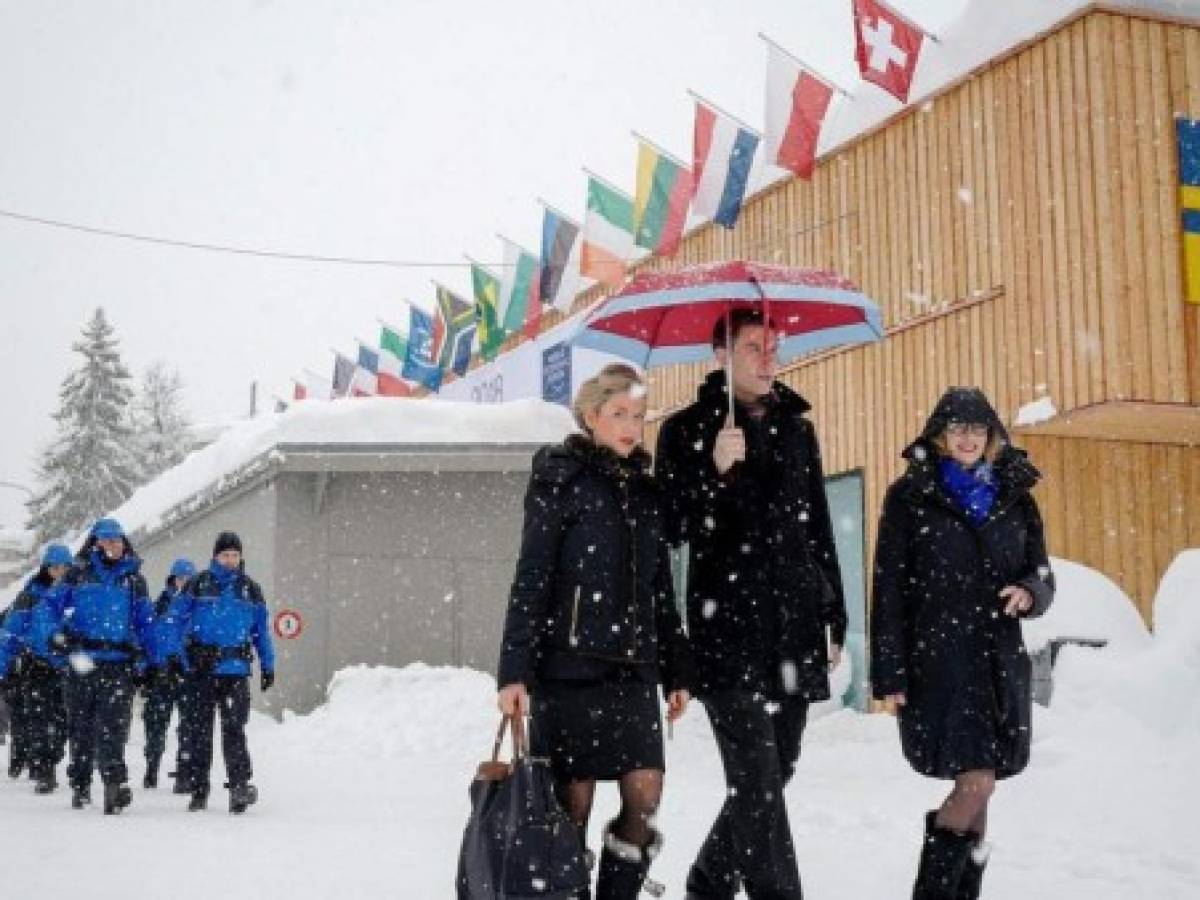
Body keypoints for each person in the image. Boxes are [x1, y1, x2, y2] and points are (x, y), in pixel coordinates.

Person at [655, 309, 847, 900]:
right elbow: (671, 524)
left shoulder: (798, 430)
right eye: (754, 348)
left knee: (777, 768)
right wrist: (713, 472)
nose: (769, 359)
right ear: (721, 355)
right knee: (757, 780)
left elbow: (816, 528)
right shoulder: (685, 430)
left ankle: (709, 881)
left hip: (791, 628)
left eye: (773, 347)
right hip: (726, 631)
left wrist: (833, 613)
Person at [497, 363, 694, 900]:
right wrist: (514, 671)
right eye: (619, 414)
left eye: (638, 415)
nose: (631, 426)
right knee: (572, 805)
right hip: (569, 669)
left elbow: (660, 591)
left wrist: (676, 669)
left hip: (632, 671)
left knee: (645, 792)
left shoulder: (647, 493)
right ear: (591, 417)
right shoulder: (559, 479)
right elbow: (532, 576)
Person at [870, 387, 1055, 899]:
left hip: (998, 662)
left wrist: (1029, 591)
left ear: (992, 436)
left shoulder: (1016, 496)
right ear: (940, 436)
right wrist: (890, 672)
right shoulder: (909, 497)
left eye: (977, 429)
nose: (968, 438)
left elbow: (1041, 572)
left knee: (983, 786)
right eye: (957, 429)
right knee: (976, 782)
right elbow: (889, 588)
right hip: (940, 661)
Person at [167, 531, 274, 814]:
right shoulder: (198, 584)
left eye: (235, 555)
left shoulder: (251, 589)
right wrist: (181, 655)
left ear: (240, 557)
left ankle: (239, 787)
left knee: (234, 731)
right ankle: (199, 790)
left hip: (235, 671)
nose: (230, 560)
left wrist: (268, 665)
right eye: (225, 555)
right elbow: (174, 620)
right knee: (200, 732)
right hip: (201, 671)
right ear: (215, 556)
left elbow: (261, 632)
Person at [57, 518, 154, 813]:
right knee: (81, 726)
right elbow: (48, 611)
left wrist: (153, 661)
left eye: (117, 540)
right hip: (82, 661)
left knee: (114, 726)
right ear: (96, 543)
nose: (112, 545)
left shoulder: (134, 580)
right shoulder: (76, 575)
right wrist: (58, 638)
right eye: (106, 540)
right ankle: (81, 783)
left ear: (124, 543)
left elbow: (146, 623)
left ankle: (114, 785)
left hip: (118, 663)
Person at [0, 543, 74, 793]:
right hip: (36, 667)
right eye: (55, 567)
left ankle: (51, 758)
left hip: (66, 668)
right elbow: (9, 634)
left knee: (62, 723)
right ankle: (44, 769)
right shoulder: (29, 595)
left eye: (65, 567)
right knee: (40, 720)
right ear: (46, 568)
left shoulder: (75, 595)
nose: (60, 572)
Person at [141, 557, 196, 789]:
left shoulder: (199, 608)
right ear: (172, 579)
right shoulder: (158, 606)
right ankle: (152, 768)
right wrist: (144, 670)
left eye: (187, 579)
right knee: (155, 725)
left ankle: (184, 772)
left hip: (188, 675)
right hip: (160, 675)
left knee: (189, 726)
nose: (182, 582)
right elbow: (147, 639)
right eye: (179, 578)